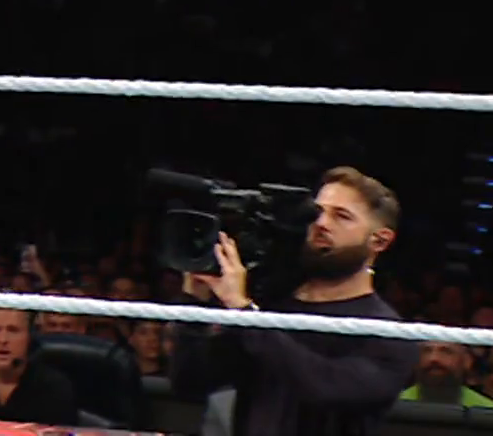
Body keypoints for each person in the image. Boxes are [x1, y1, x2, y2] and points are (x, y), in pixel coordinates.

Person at [172, 166, 420, 435]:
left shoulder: (388, 334)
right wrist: (195, 300)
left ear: (379, 241)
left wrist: (244, 313)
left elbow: (326, 388)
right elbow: (189, 383)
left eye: (342, 216)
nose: (321, 223)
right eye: (318, 211)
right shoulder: (272, 307)